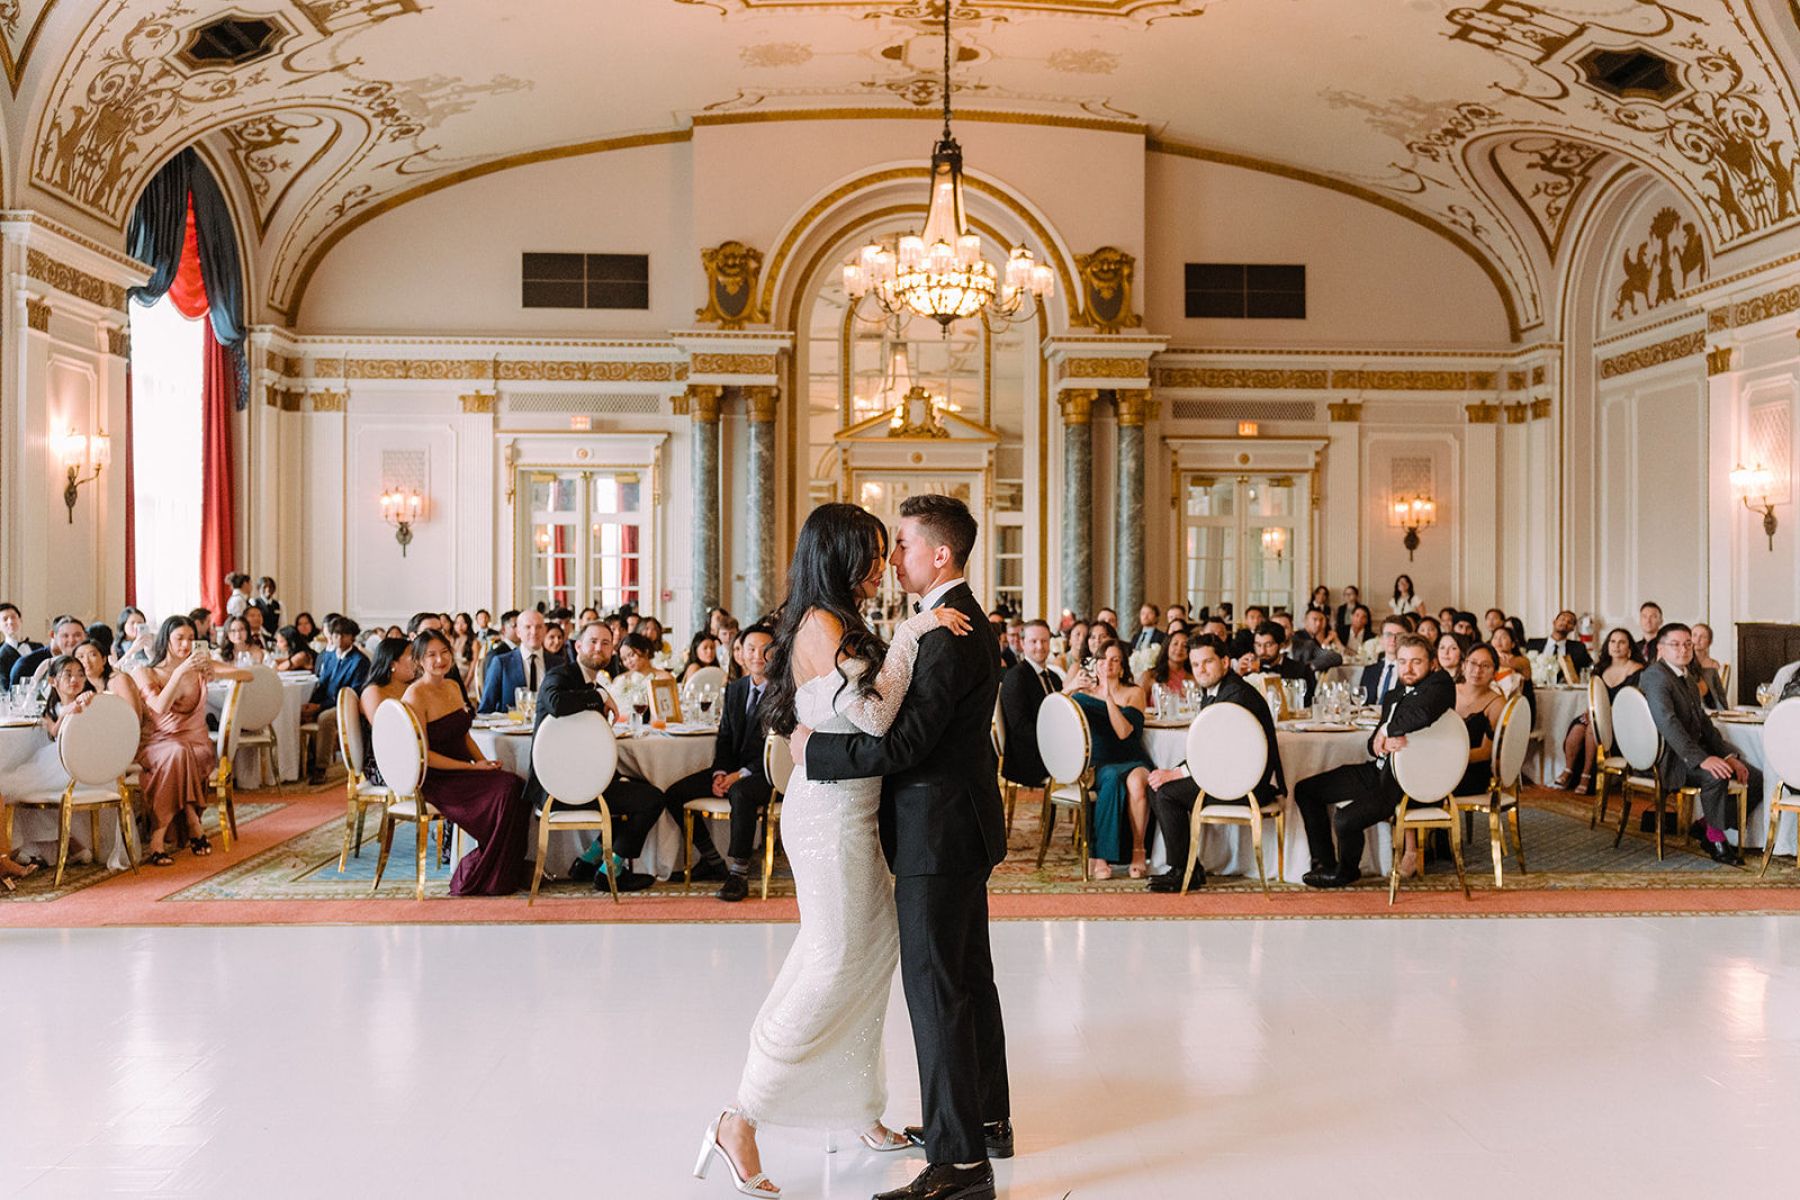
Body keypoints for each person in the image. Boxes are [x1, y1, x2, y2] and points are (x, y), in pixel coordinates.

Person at [697, 501, 986, 1198]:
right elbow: (878, 718)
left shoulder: (841, 620)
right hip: (827, 817)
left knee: (870, 954)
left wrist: (907, 635)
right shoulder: (822, 623)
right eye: (871, 551)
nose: (881, 565)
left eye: (891, 549)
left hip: (855, 811)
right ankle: (741, 1117)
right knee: (831, 964)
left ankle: (859, 1109)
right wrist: (917, 631)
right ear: (839, 554)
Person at [788, 495, 1011, 1200]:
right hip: (958, 823)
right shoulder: (956, 620)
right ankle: (988, 1122)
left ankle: (960, 1163)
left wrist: (811, 752)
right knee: (969, 977)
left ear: (939, 555)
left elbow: (906, 742)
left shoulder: (946, 632)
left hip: (936, 832)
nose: (894, 561)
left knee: (938, 988)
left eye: (905, 545)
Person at [1296, 633, 1453, 888]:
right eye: (1403, 662)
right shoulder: (1394, 694)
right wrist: (1379, 742)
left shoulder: (1440, 686)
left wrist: (1386, 731)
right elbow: (1371, 744)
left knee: (1345, 819)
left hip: (1406, 783)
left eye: (1416, 662)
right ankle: (1324, 862)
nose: (1408, 668)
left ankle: (1345, 872)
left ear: (1432, 663)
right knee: (1307, 790)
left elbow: (1422, 714)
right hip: (1379, 770)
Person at [526, 620, 660, 893]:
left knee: (640, 789)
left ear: (613, 651)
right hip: (558, 787)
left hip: (582, 779)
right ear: (577, 647)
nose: (599, 648)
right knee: (652, 800)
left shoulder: (590, 681)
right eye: (593, 641)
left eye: (606, 643)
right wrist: (598, 696)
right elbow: (555, 703)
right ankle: (612, 870)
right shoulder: (561, 675)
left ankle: (588, 862)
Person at [1145, 634, 1284, 892]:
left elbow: (1220, 749)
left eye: (1207, 662)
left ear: (1225, 661)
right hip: (1227, 775)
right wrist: (1173, 772)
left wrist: (1176, 773)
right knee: (1156, 785)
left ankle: (1182, 871)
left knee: (1165, 793)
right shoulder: (1218, 690)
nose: (1201, 670)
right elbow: (1208, 749)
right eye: (1196, 664)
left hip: (1248, 784)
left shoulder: (1236, 695)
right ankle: (1189, 867)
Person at [402, 629, 530, 894]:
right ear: (419, 661)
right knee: (506, 791)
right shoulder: (415, 695)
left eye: (445, 652)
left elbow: (464, 735)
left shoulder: (451, 686)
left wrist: (484, 763)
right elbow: (422, 754)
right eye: (432, 655)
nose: (440, 660)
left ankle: (504, 870)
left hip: (464, 769)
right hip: (438, 777)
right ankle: (484, 875)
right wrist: (471, 767)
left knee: (517, 784)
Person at [663, 624, 782, 901]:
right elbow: (725, 737)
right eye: (750, 649)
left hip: (767, 772)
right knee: (674, 793)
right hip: (732, 769)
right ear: (740, 653)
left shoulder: (784, 691)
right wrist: (720, 772)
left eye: (766, 650)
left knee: (741, 793)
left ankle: (738, 873)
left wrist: (738, 775)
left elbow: (774, 745)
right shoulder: (735, 689)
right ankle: (711, 859)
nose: (758, 656)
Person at [1639, 624, 1763, 865]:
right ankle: (1716, 840)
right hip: (1667, 757)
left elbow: (1705, 724)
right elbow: (1668, 723)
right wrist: (1703, 759)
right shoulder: (1655, 676)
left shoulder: (1687, 677)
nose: (1684, 649)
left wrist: (1728, 756)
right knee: (1715, 776)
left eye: (1688, 644)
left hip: (1690, 753)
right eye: (1675, 644)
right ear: (1661, 649)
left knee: (1754, 778)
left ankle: (1705, 825)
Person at [133, 616, 249, 864]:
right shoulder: (146, 672)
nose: (186, 645)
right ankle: (193, 823)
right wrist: (180, 672)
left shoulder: (199, 668)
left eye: (190, 639)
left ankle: (158, 837)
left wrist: (215, 671)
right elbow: (159, 706)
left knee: (181, 753)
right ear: (166, 640)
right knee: (177, 753)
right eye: (179, 639)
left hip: (197, 745)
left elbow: (247, 675)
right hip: (156, 744)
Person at [1066, 639, 1155, 880]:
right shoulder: (1083, 692)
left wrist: (1108, 698)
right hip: (1100, 762)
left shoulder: (1134, 692)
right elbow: (1054, 711)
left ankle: (1139, 850)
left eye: (1115, 660)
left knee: (1137, 784)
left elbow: (1124, 733)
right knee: (1112, 779)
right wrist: (1071, 686)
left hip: (1131, 757)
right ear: (1096, 664)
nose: (1109, 664)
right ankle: (1100, 855)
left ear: (1123, 666)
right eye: (1104, 659)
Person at [1555, 628, 1644, 793]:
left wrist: (1604, 714)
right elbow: (1593, 697)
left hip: (1623, 722)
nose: (1616, 646)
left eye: (1622, 642)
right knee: (1577, 727)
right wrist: (1591, 711)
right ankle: (1569, 771)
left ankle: (1587, 776)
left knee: (1592, 729)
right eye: (1612, 641)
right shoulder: (1601, 668)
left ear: (1629, 648)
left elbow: (1635, 703)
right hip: (1598, 716)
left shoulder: (1637, 670)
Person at [303, 617, 370, 785]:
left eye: (344, 635)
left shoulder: (359, 661)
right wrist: (312, 704)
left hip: (348, 706)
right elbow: (323, 684)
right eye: (335, 635)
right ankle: (303, 764)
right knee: (302, 712)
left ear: (352, 637)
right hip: (327, 701)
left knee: (325, 718)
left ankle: (320, 768)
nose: (339, 639)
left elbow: (353, 693)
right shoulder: (330, 657)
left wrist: (319, 707)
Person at [999, 619, 1060, 791]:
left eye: (1044, 641)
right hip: (1028, 756)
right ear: (1022, 644)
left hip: (1050, 749)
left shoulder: (1053, 678)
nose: (1040, 646)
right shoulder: (1016, 677)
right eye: (1034, 641)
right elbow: (1020, 727)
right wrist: (1054, 744)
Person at [357, 637, 417, 787]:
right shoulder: (373, 691)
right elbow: (385, 732)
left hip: (412, 754)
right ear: (392, 663)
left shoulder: (411, 688)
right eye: (412, 657)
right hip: (384, 764)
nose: (418, 661)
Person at [478, 608, 552, 713]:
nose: (534, 632)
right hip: (511, 727)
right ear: (518, 632)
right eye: (528, 627)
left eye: (539, 627)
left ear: (545, 630)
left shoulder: (558, 663)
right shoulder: (501, 663)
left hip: (549, 727)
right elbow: (486, 709)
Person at [1239, 621, 1316, 704]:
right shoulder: (1247, 670)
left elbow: (1308, 704)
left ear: (1281, 645)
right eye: (1258, 645)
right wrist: (1238, 675)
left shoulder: (1301, 670)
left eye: (1268, 645)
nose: (1262, 651)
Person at [75, 639, 142, 717]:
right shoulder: (86, 692)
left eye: (92, 655)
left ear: (104, 659)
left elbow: (134, 717)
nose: (86, 660)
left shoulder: (119, 680)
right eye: (80, 657)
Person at [1358, 616, 1411, 704]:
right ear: (1381, 639)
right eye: (1388, 635)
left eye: (1399, 635)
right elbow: (1361, 702)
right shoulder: (1369, 671)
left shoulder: (1411, 672)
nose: (1393, 639)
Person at [1528, 609, 1592, 674]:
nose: (1565, 623)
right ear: (1554, 622)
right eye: (1562, 619)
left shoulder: (1579, 648)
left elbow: (1590, 667)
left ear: (1573, 628)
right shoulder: (1532, 644)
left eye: (1569, 622)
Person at [1289, 608, 1345, 676]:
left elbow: (1335, 657)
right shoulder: (1298, 638)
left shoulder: (1313, 639)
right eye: (1314, 619)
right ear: (1305, 621)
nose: (1318, 624)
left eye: (1321, 620)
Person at [1139, 628, 1192, 695]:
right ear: (1167, 647)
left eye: (1185, 646)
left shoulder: (1193, 679)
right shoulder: (1150, 675)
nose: (1179, 649)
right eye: (1175, 644)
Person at [0, 602, 40, 684]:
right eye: (5, 619)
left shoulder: (38, 647)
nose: (10, 621)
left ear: (20, 620)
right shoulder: (1, 655)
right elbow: (4, 688)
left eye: (13, 617)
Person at [1692, 622, 1728, 711]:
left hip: (1711, 708)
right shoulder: (1683, 663)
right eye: (1694, 635)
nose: (1698, 639)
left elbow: (1719, 695)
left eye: (1703, 637)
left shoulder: (1713, 665)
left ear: (1709, 641)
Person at [1636, 601, 1663, 665]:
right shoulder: (1634, 647)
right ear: (1640, 620)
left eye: (1653, 616)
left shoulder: (1665, 646)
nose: (1648, 621)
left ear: (1661, 621)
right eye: (1644, 616)